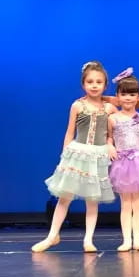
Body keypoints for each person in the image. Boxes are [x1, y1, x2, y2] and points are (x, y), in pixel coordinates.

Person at [31, 61, 117, 253]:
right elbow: (70, 132)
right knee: (65, 197)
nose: (94, 85)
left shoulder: (110, 108)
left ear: (105, 85)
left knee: (92, 199)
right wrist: (65, 155)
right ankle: (52, 235)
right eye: (90, 81)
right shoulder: (78, 105)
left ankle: (88, 239)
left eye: (98, 82)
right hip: (78, 153)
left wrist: (110, 144)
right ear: (83, 84)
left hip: (98, 155)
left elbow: (113, 132)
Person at [107, 67, 139, 251]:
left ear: (138, 96)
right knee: (126, 203)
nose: (128, 98)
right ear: (117, 96)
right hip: (122, 162)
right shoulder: (113, 118)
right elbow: (109, 137)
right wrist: (110, 145)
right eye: (124, 94)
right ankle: (127, 240)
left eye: (132, 94)